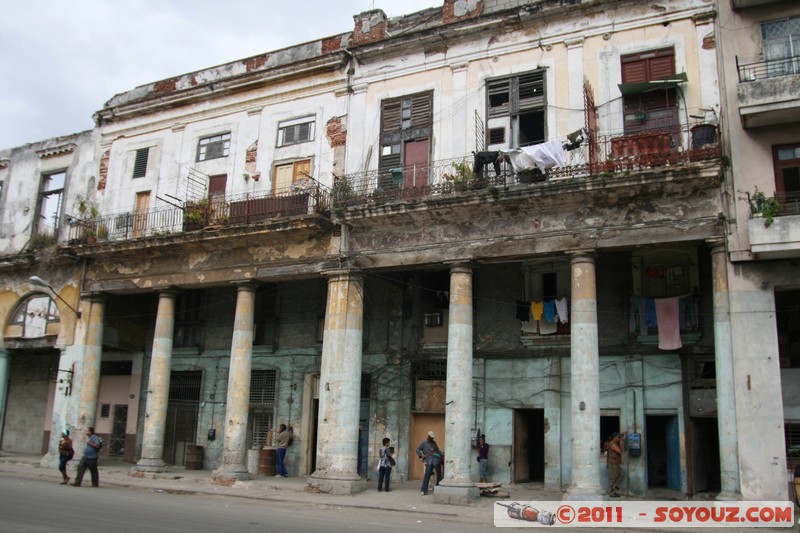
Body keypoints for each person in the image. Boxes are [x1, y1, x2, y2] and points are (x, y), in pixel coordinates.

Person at [416, 430, 442, 496]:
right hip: (427, 461)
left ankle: (435, 488)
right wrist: (422, 455)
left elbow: (437, 450)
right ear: (428, 436)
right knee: (427, 475)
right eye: (431, 437)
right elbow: (417, 449)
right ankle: (424, 490)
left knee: (437, 475)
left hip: (435, 460)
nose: (432, 438)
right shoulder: (424, 443)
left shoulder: (434, 443)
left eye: (433, 437)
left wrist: (438, 454)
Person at [604, 432, 624, 497]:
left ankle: (614, 489)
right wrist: (621, 443)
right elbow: (620, 451)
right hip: (613, 463)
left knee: (620, 474)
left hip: (615, 462)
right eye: (618, 437)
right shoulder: (613, 445)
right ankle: (612, 491)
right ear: (615, 438)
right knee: (613, 477)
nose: (619, 438)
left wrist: (621, 436)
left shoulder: (614, 443)